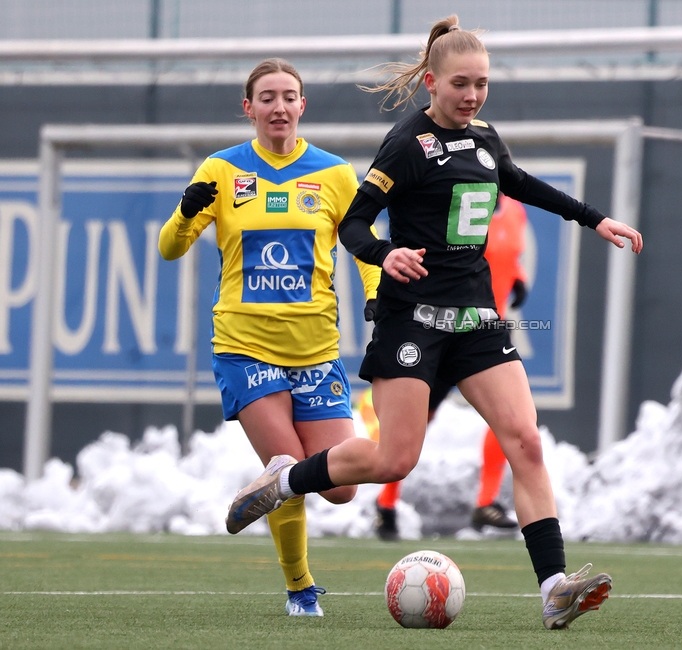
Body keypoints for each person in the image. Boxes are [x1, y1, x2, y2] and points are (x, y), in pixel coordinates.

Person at [226, 16, 642, 631]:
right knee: (395, 459)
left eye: (481, 84)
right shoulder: (407, 144)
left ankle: (554, 587)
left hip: (475, 317)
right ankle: (288, 479)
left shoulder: (485, 139)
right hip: (411, 322)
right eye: (460, 85)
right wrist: (382, 252)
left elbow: (520, 183)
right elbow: (354, 224)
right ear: (431, 83)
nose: (472, 95)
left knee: (524, 439)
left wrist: (593, 219)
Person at [158, 58, 380, 617]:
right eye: (267, 97)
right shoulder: (222, 170)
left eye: (289, 96)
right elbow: (170, 247)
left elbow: (364, 243)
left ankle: (264, 489)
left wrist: (377, 296)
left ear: (303, 106)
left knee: (341, 486)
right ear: (249, 107)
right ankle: (301, 590)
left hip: (316, 350)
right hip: (244, 346)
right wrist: (185, 215)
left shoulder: (334, 174)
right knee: (285, 461)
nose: (279, 107)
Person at [360, 194, 529, 541]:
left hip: (486, 330)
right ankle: (386, 503)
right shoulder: (453, 198)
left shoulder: (514, 211)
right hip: (443, 326)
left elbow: (508, 253)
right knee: (413, 423)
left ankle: (486, 503)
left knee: (514, 419)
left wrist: (518, 275)